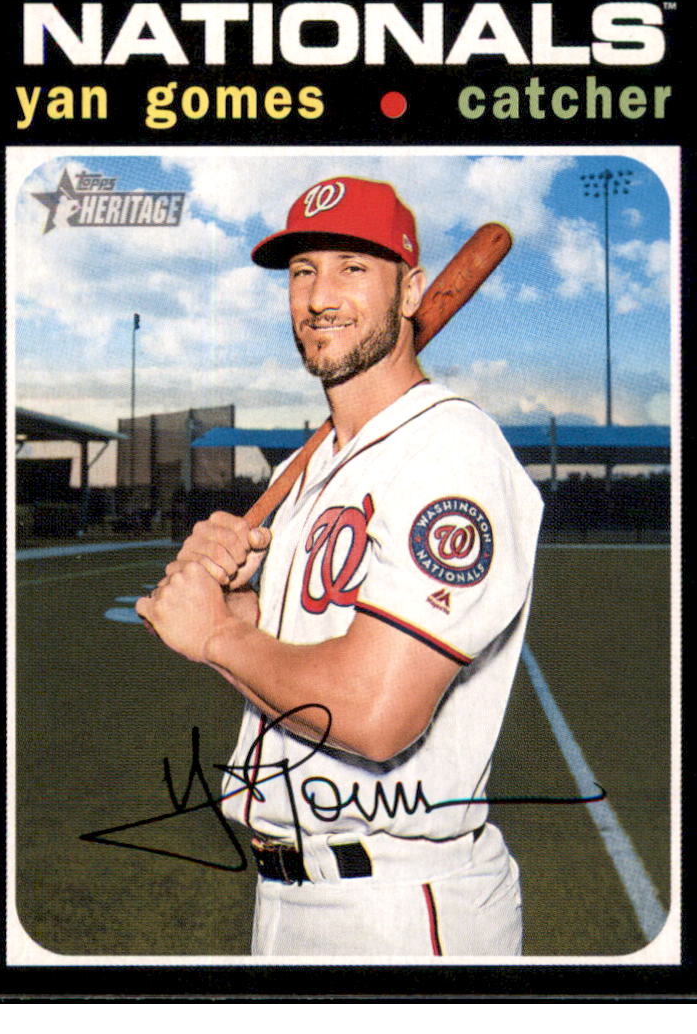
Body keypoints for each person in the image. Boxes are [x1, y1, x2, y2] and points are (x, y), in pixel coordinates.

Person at [136, 176, 543, 957]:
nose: (321, 295)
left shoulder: (449, 450)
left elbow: (374, 712)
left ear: (411, 289)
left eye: (354, 266)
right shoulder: (314, 463)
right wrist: (228, 607)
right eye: (302, 271)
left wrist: (219, 636)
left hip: (401, 907)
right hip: (288, 898)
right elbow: (301, 655)